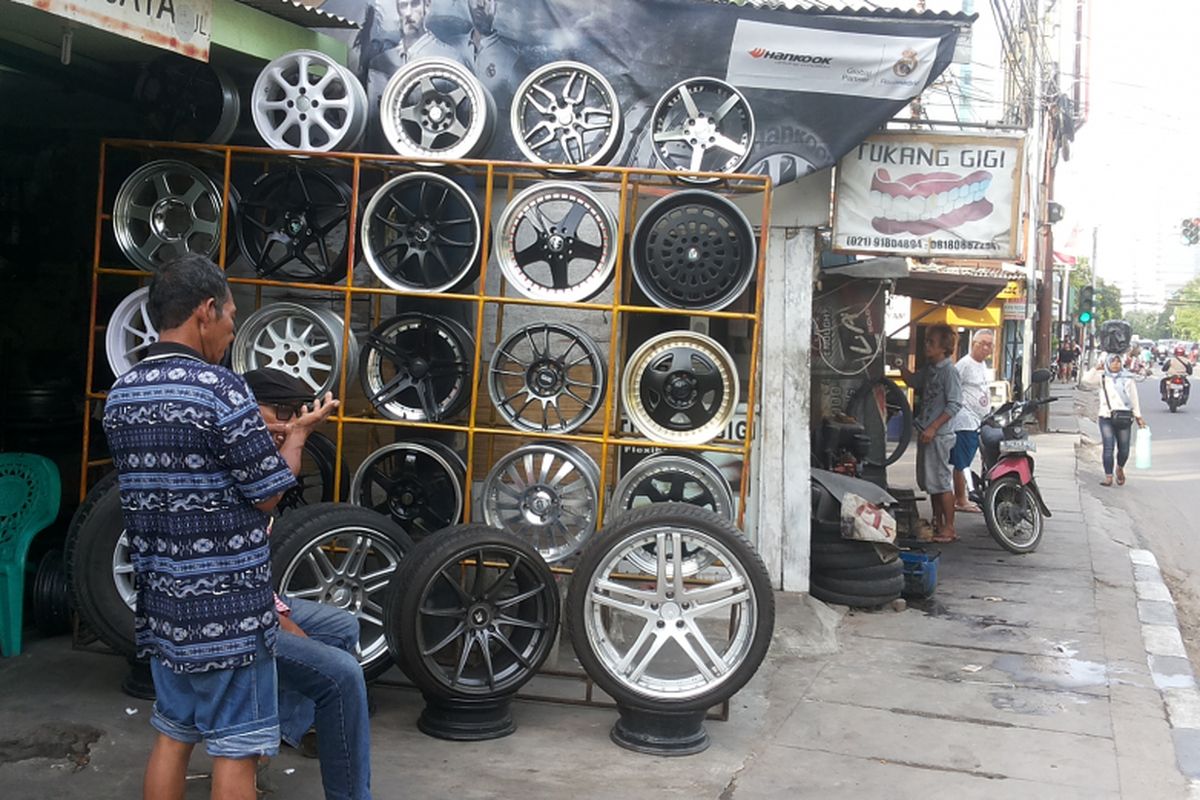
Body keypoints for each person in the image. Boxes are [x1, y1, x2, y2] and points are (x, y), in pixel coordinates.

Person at [102, 254, 337, 800]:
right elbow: (270, 492)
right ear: (206, 311)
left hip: (163, 607)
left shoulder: (122, 396)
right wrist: (297, 435)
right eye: (231, 317)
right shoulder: (221, 390)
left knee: (173, 737)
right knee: (237, 751)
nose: (232, 331)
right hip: (227, 614)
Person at [242, 367, 373, 800]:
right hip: (232, 619)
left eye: (291, 415)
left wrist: (277, 609)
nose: (284, 425)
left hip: (253, 601)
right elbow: (229, 573)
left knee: (343, 628)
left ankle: (280, 729)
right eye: (277, 412)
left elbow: (253, 563)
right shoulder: (238, 461)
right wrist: (277, 620)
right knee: (342, 676)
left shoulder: (262, 457)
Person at [898, 324, 963, 543]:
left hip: (940, 435)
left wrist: (934, 427)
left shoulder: (949, 372)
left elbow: (954, 404)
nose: (927, 346)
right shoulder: (931, 369)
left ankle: (949, 528)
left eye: (931, 343)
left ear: (944, 348)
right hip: (927, 433)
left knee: (942, 482)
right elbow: (913, 381)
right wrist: (900, 366)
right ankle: (938, 521)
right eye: (926, 342)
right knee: (932, 483)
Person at [1083, 352, 1146, 487]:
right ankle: (1108, 476)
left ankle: (1120, 467)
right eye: (1112, 362)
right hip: (1106, 416)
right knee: (1108, 447)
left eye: (1118, 362)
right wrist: (1096, 368)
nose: (1115, 365)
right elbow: (1086, 380)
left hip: (1124, 417)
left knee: (1124, 449)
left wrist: (1138, 416)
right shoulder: (1103, 377)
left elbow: (1134, 398)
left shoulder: (1128, 378)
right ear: (1107, 363)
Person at [949, 330, 994, 513]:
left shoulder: (982, 365)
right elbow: (952, 387)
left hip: (978, 420)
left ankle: (964, 496)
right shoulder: (964, 364)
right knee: (963, 462)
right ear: (972, 344)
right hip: (965, 420)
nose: (985, 348)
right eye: (981, 343)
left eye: (989, 344)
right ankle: (960, 499)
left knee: (969, 458)